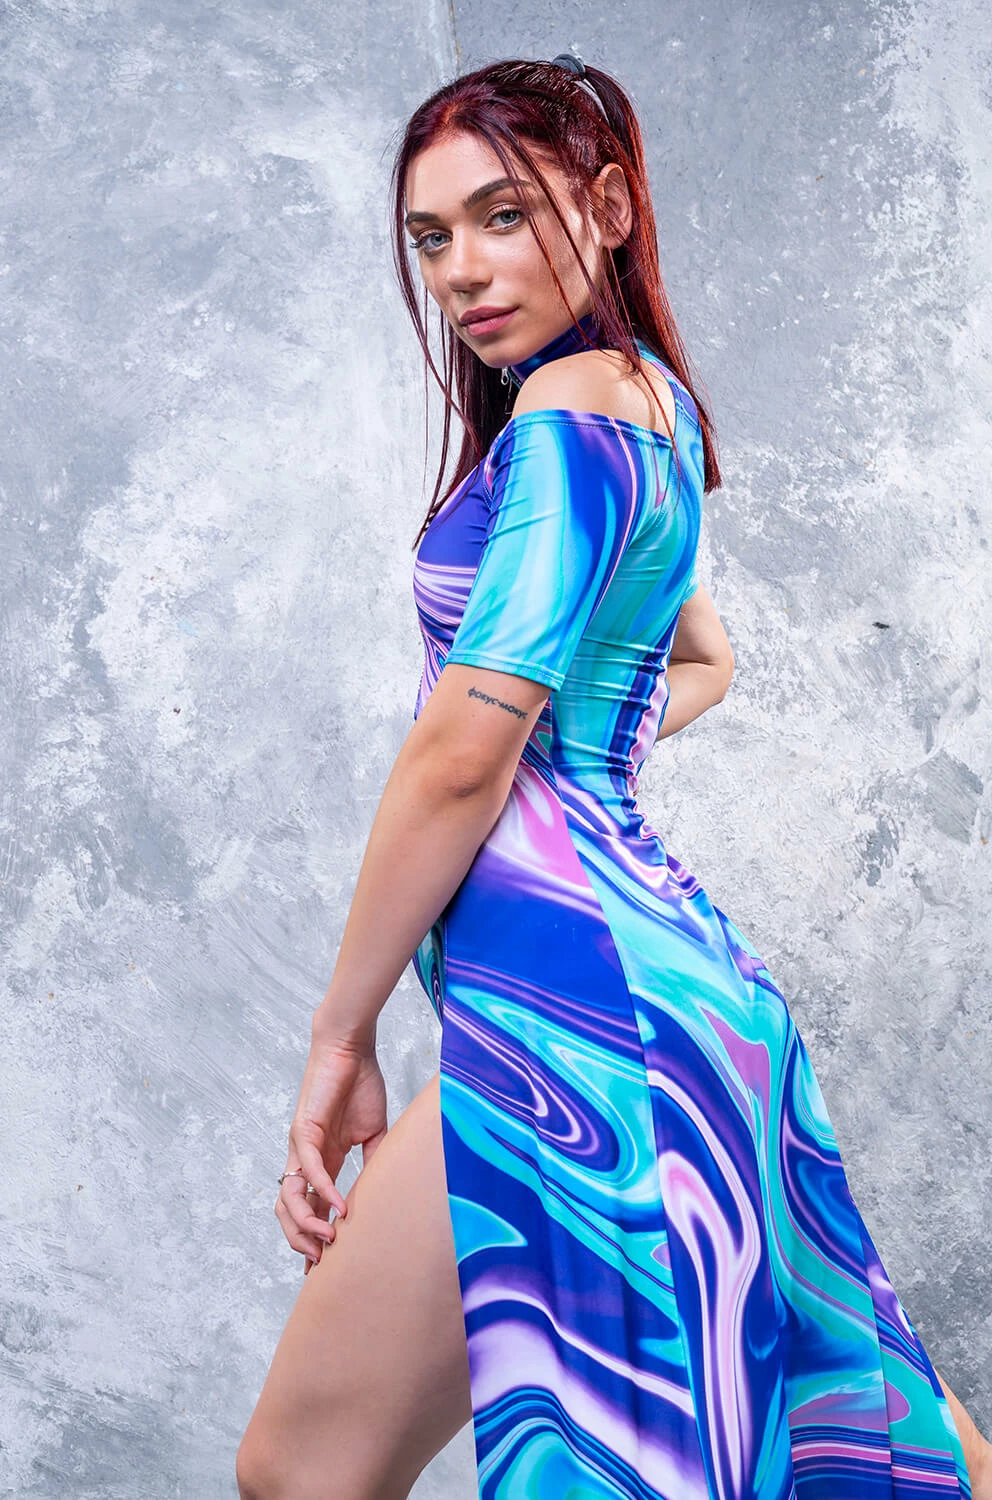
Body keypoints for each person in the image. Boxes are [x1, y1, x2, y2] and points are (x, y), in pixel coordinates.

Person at [235, 55, 990, 1500]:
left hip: (576, 1014)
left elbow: (461, 753)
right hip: (659, 1001)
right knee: (862, 1438)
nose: (461, 270)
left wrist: (340, 1037)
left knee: (310, 1470)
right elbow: (699, 659)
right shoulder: (650, 407)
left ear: (611, 206)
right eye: (431, 237)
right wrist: (579, 764)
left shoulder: (572, 409)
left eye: (503, 215)